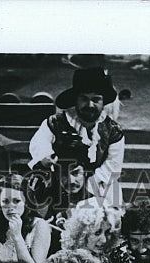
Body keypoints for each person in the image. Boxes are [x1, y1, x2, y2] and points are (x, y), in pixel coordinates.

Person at [29, 67, 125, 202]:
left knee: (110, 199)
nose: (90, 105)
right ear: (76, 100)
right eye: (84, 99)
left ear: (103, 103)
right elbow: (39, 142)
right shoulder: (55, 123)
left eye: (96, 99)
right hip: (61, 182)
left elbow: (112, 166)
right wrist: (46, 157)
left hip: (98, 185)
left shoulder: (113, 131)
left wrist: (87, 189)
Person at [0, 173, 51, 263]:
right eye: (5, 201)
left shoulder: (39, 226)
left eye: (16, 201)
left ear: (26, 202)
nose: (10, 207)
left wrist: (17, 237)